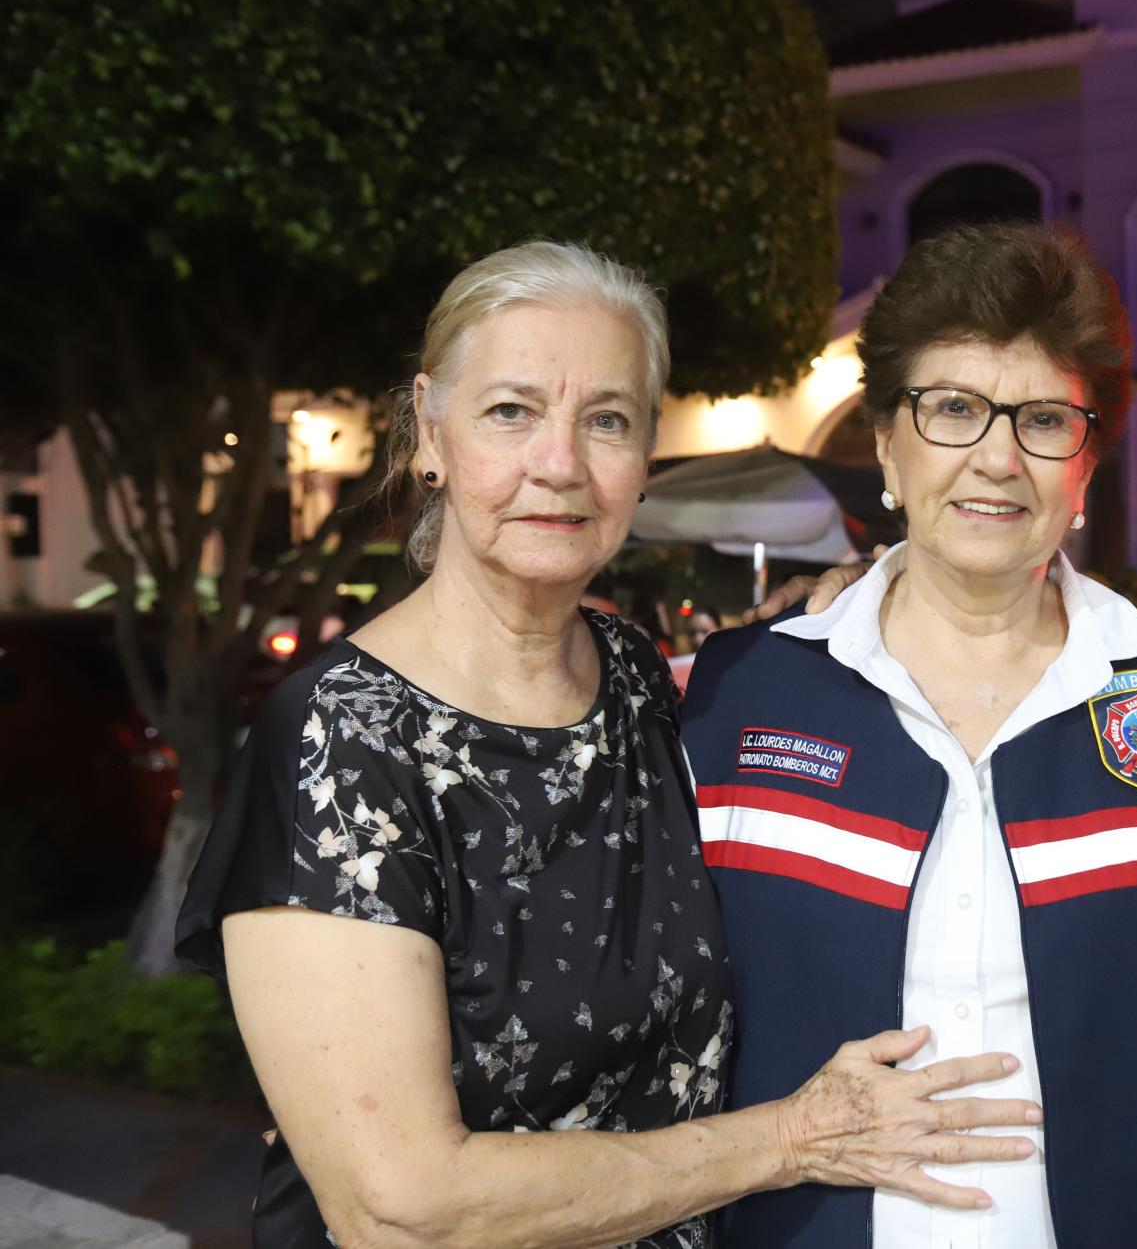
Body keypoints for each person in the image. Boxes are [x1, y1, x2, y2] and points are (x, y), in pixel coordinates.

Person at [176, 241, 1038, 1247]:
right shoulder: (338, 736)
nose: (559, 464)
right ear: (429, 430)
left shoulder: (635, 676)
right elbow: (399, 1205)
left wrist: (861, 609)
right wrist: (793, 1139)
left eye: (608, 420)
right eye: (511, 411)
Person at [682, 222, 1137, 1247]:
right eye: (952, 408)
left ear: (1085, 464)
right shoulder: (739, 701)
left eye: (1043, 418)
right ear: (884, 445)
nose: (996, 457)